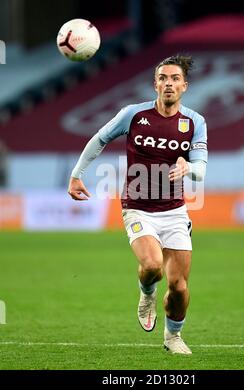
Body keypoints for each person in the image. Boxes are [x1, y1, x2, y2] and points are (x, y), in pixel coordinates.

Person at [68, 55, 208, 355]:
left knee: (180, 287)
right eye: (163, 78)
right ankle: (146, 293)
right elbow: (99, 139)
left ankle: (173, 338)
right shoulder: (133, 114)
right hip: (138, 208)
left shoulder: (195, 122)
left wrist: (188, 169)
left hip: (174, 211)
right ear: (155, 83)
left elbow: (201, 168)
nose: (168, 83)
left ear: (184, 86)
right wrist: (76, 175)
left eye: (174, 79)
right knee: (152, 265)